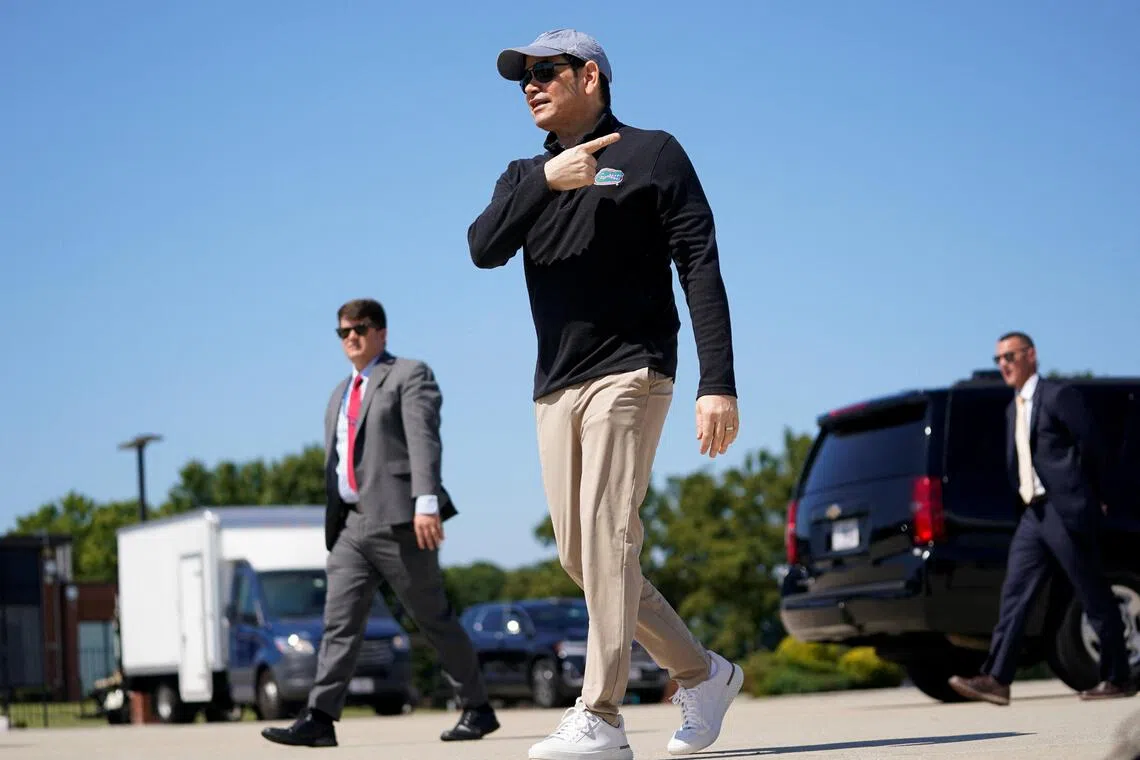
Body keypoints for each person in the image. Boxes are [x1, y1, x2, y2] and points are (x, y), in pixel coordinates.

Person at [468, 28, 743, 760]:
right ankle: (703, 674)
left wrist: (718, 382)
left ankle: (602, 716)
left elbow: (701, 265)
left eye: (544, 72)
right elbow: (482, 247)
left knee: (610, 535)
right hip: (555, 383)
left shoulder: (653, 153)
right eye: (522, 76)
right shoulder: (523, 174)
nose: (529, 84)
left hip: (634, 368)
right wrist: (545, 182)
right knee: (582, 557)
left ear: (589, 76)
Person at [261, 298, 499, 747]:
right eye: (344, 332)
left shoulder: (409, 374)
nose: (352, 337)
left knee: (433, 619)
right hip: (351, 526)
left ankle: (478, 707)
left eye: (361, 328)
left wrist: (426, 502)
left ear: (382, 333)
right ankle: (320, 718)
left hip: (402, 521)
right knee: (339, 623)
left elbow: (424, 439)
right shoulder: (338, 394)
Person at [948, 331, 1135, 705]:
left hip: (1065, 509)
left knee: (1092, 592)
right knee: (1015, 594)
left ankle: (1118, 676)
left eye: (1010, 356)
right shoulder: (1011, 409)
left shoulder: (1058, 395)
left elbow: (1093, 446)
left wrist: (1095, 498)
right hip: (1033, 514)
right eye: (998, 359)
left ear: (1031, 355)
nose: (1003, 364)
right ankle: (997, 678)